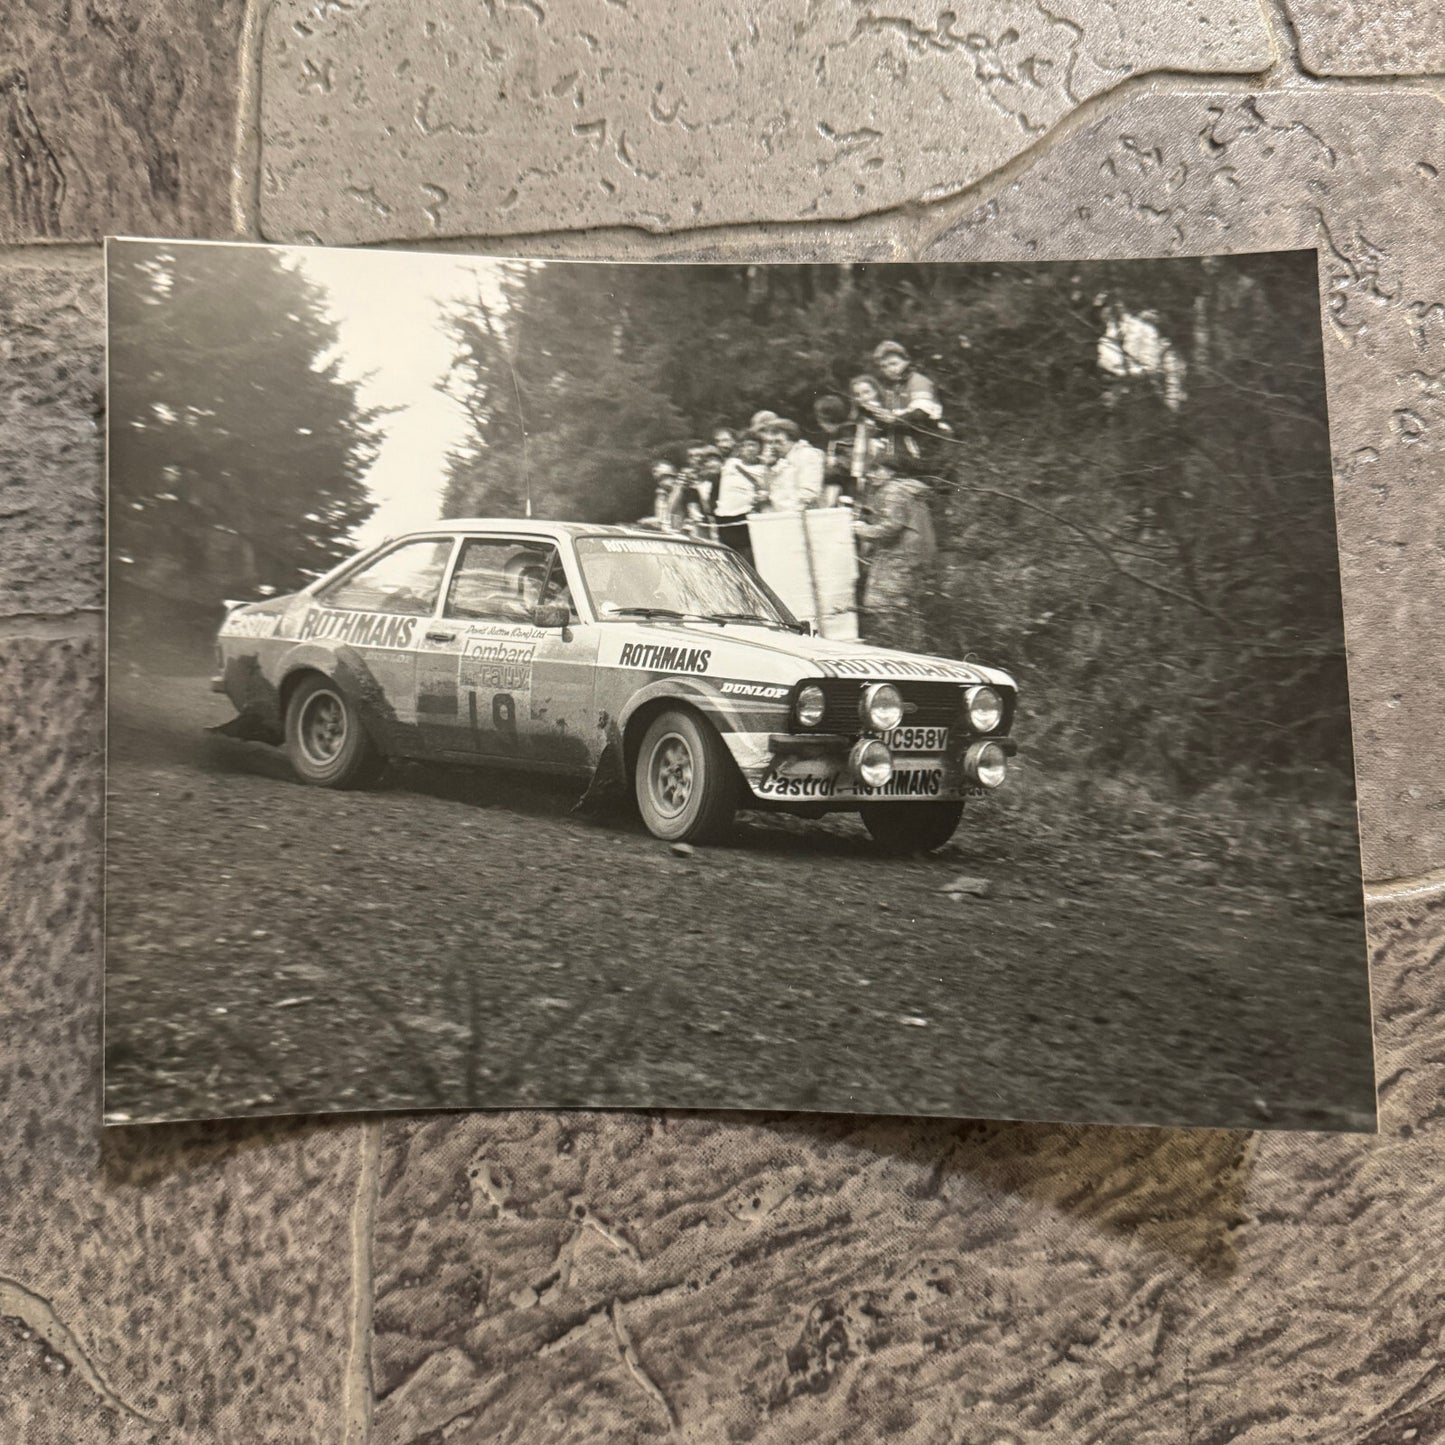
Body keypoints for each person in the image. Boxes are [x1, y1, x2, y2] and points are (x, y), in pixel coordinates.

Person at [853, 451, 937, 652]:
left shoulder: (893, 491)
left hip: (898, 556)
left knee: (884, 604)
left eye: (876, 469)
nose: (871, 474)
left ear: (890, 472)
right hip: (910, 555)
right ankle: (908, 647)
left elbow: (892, 526)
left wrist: (863, 530)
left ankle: (890, 649)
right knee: (903, 606)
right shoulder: (905, 490)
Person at [713, 431, 768, 561]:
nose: (748, 449)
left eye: (752, 445)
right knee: (727, 559)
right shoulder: (730, 463)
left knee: (746, 558)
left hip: (744, 518)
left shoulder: (764, 469)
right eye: (744, 445)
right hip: (724, 518)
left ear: (760, 447)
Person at [762, 419, 824, 511]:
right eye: (770, 442)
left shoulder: (807, 455)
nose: (774, 446)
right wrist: (768, 467)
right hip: (779, 514)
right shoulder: (779, 460)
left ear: (793, 440)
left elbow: (809, 493)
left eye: (778, 442)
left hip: (799, 514)